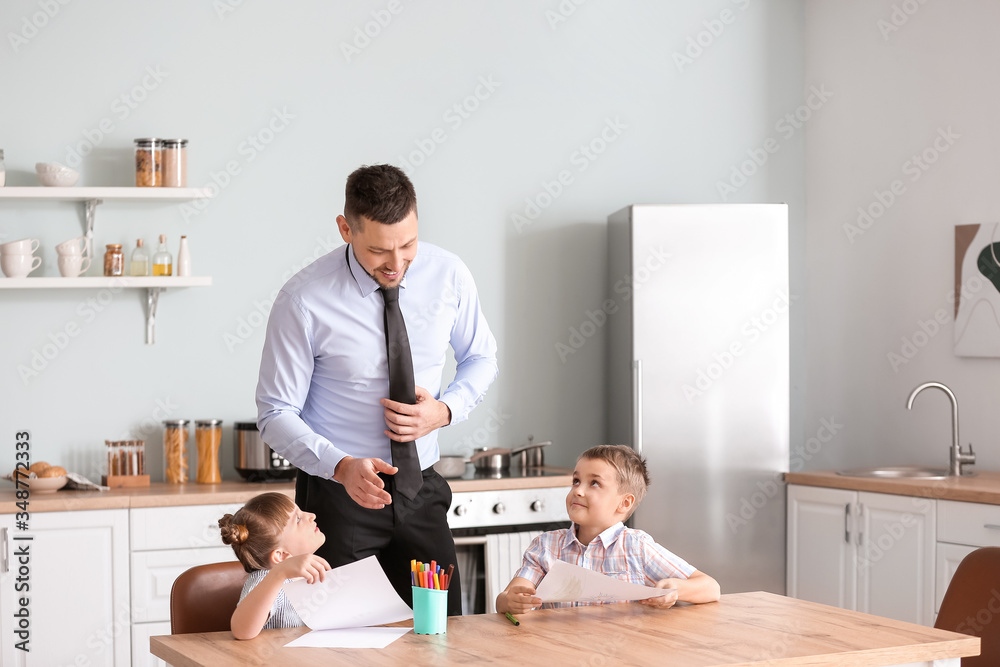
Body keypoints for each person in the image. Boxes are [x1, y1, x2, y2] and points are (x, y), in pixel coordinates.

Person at [256, 164, 498, 616]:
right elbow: (275, 412)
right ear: (345, 229)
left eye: (408, 244)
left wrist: (444, 410)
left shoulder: (449, 274)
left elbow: (481, 358)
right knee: (340, 646)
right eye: (379, 250)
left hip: (421, 489)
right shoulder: (304, 300)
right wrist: (342, 466)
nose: (397, 263)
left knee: (442, 635)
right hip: (338, 496)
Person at [496, 445, 721, 614]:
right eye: (576, 481)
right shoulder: (545, 546)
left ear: (624, 503)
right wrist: (511, 601)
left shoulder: (637, 547)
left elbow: (711, 588)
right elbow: (505, 600)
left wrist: (675, 589)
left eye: (594, 483)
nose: (579, 491)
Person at [218, 492, 331, 639]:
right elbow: (241, 631)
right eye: (298, 519)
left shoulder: (312, 572)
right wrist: (279, 573)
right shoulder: (267, 580)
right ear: (281, 556)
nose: (311, 515)